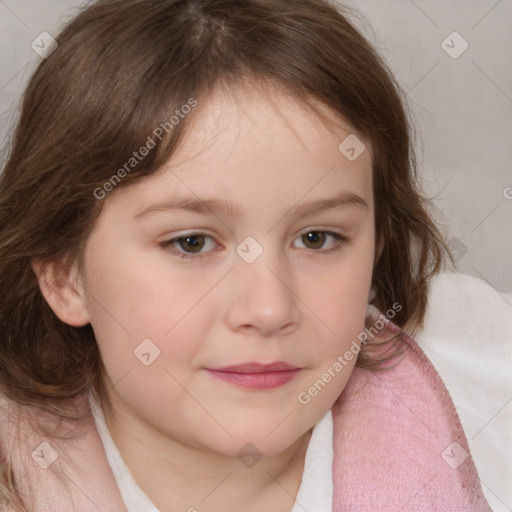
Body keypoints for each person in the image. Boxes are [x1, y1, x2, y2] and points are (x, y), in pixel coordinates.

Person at [0, 0, 491, 510]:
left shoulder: (490, 389)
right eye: (191, 242)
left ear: (376, 247)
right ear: (64, 275)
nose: (269, 310)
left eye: (318, 238)